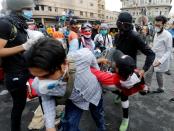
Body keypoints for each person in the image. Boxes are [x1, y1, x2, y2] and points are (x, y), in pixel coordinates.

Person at [25, 38, 106, 131]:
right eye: (35, 76)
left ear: (64, 64)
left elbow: (90, 54)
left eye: (46, 75)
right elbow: (47, 100)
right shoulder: (37, 84)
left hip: (95, 93)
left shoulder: (81, 58)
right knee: (69, 126)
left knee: (99, 115)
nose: (41, 81)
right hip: (76, 102)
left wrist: (97, 72)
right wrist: (50, 126)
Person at [0, 0, 44, 131]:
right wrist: (24, 46)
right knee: (19, 106)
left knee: (44, 91)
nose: (31, 11)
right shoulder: (5, 24)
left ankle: (48, 119)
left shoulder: (19, 24)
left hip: (26, 68)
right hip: (14, 73)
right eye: (28, 8)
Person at [114, 12, 155, 131]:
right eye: (119, 25)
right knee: (118, 88)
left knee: (124, 94)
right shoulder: (118, 35)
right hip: (117, 67)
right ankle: (119, 93)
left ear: (129, 25)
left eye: (124, 26)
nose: (122, 29)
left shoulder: (135, 36)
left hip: (129, 70)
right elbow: (116, 49)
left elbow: (151, 54)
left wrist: (144, 70)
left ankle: (125, 118)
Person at [145, 15, 173, 93]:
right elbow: (156, 45)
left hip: (161, 60)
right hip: (153, 57)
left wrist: (160, 61)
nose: (156, 26)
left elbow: (168, 51)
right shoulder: (156, 33)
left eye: (158, 25)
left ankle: (161, 88)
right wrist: (151, 46)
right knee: (148, 73)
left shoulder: (168, 36)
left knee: (159, 76)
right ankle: (147, 88)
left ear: (163, 25)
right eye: (155, 24)